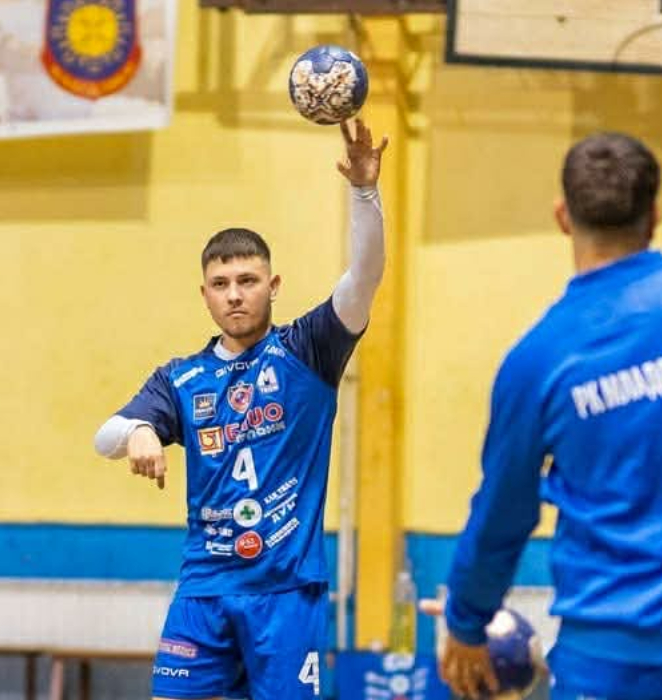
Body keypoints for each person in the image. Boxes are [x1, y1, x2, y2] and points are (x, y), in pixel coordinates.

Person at [93, 120, 388, 700]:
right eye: (221, 283)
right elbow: (105, 436)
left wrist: (363, 191)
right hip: (203, 590)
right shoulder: (180, 378)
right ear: (204, 293)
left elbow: (365, 276)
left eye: (248, 280)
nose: (234, 294)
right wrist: (140, 431)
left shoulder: (309, 350)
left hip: (285, 592)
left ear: (273, 285)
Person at [423, 133, 662, 700]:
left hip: (609, 660)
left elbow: (503, 512)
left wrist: (466, 620)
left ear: (562, 217)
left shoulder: (538, 360)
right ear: (654, 215)